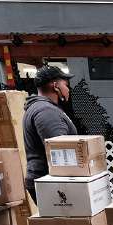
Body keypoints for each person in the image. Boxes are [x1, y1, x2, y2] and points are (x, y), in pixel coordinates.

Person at [22, 64, 78, 197]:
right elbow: (61, 151)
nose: (68, 88)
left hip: (48, 180)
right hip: (51, 183)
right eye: (65, 84)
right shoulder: (46, 112)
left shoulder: (40, 107)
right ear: (55, 86)